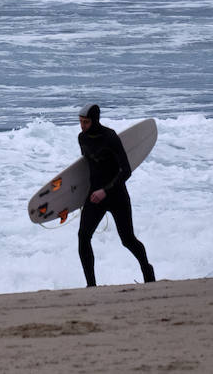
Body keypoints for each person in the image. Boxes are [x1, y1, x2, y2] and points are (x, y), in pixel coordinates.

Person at [77, 102, 155, 287]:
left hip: (116, 194)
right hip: (94, 196)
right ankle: (91, 285)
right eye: (80, 122)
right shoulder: (82, 138)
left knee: (127, 240)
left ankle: (147, 272)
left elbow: (126, 170)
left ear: (95, 120)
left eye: (86, 122)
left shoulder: (110, 137)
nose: (83, 126)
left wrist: (105, 190)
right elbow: (88, 169)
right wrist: (78, 198)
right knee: (83, 236)